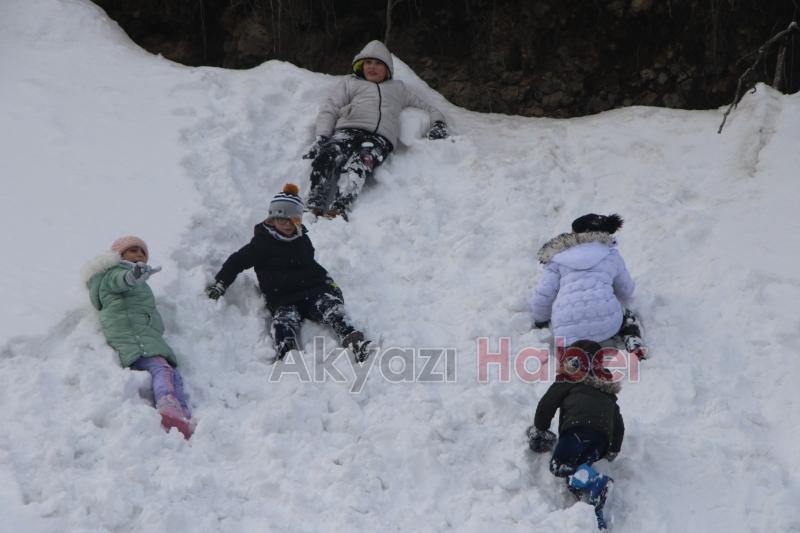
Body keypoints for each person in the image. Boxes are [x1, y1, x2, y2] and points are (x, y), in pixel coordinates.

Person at [205, 184, 373, 362]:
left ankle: (354, 340)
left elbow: (311, 266)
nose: (285, 224)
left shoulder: (302, 239)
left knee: (331, 308)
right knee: (283, 322)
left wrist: (327, 283)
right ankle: (288, 355)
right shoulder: (262, 243)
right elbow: (237, 261)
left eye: (290, 220)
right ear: (272, 220)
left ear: (298, 220)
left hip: (311, 291)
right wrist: (221, 282)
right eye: (280, 219)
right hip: (282, 297)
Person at [303, 40, 449, 219]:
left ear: (387, 69)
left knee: (359, 165)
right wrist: (322, 136)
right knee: (327, 156)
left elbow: (429, 108)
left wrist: (438, 124)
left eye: (378, 63)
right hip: (347, 130)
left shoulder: (398, 89)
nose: (372, 67)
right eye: (368, 63)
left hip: (379, 139)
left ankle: (339, 208)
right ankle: (314, 203)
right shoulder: (350, 83)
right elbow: (331, 107)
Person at [84, 236, 194, 439]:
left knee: (172, 372)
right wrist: (132, 277)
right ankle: (167, 404)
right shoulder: (115, 274)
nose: (139, 255)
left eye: (142, 252)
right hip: (134, 340)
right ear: (118, 256)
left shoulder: (140, 281)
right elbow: (120, 283)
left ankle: (181, 412)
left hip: (143, 336)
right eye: (133, 250)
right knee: (162, 369)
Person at [527, 339, 623, 530]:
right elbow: (618, 424)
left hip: (578, 430)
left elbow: (547, 404)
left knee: (560, 465)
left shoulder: (569, 379)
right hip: (601, 440)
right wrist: (612, 450)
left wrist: (540, 428)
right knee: (578, 467)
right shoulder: (606, 391)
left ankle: (596, 482)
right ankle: (591, 505)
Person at [530, 213, 647, 359]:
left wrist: (540, 320)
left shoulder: (558, 258)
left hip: (568, 330)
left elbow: (544, 294)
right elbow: (626, 290)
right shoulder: (610, 255)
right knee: (628, 317)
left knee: (568, 338)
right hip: (608, 324)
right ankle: (633, 342)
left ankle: (573, 357)